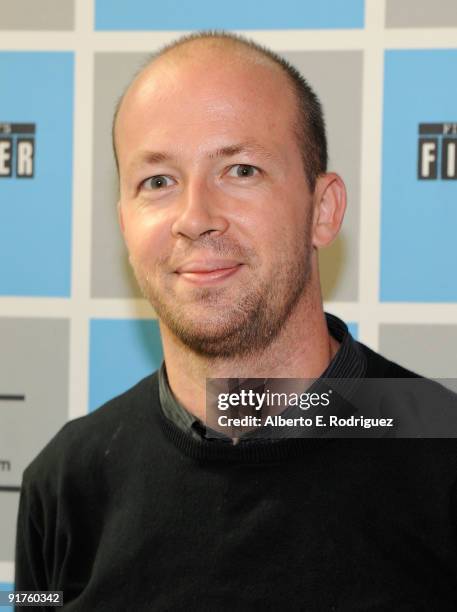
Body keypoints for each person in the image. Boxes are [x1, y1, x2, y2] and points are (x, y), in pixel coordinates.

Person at [14, 32, 457, 610]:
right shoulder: (65, 484)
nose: (195, 218)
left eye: (241, 170)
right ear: (126, 227)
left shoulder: (442, 449)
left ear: (322, 211)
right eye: (158, 181)